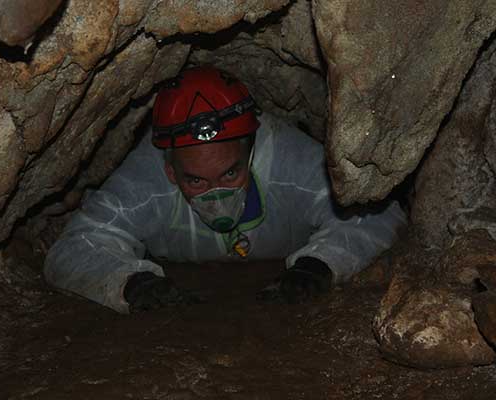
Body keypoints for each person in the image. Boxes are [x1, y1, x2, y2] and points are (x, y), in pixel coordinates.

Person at [44, 66, 406, 314]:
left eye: (230, 172)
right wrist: (133, 284)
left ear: (251, 151)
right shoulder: (148, 178)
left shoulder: (286, 158)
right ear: (170, 170)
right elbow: (74, 248)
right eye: (196, 181)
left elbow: (376, 212)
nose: (215, 193)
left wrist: (318, 268)